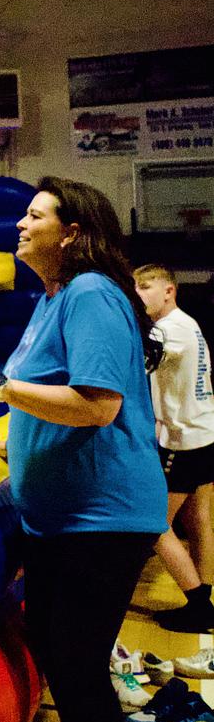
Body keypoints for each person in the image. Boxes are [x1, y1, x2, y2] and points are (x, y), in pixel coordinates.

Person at [0, 177, 167, 722]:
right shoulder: (51, 300)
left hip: (102, 517)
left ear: (71, 233)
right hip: (59, 517)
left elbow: (98, 405)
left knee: (78, 660)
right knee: (57, 647)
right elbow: (51, 394)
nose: (20, 224)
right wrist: (21, 440)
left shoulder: (90, 292)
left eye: (35, 216)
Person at [134, 264, 214, 632]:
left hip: (184, 441)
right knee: (199, 520)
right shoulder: (188, 325)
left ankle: (198, 605)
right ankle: (204, 596)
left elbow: (135, 363)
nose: (138, 294)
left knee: (153, 524)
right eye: (135, 288)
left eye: (145, 286)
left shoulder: (168, 330)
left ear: (169, 291)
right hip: (204, 432)